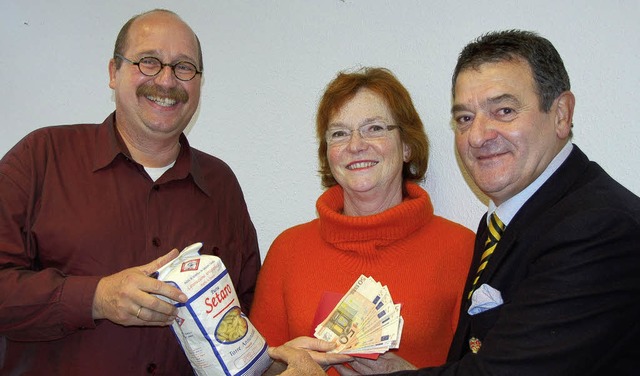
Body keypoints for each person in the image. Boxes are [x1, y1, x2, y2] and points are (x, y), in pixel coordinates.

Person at [268, 29, 640, 376]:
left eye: (504, 111)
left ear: (561, 114)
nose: (478, 135)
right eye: (465, 117)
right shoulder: (502, 225)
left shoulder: (597, 227)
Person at [0, 9, 261, 374]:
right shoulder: (41, 157)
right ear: (113, 72)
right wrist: (96, 298)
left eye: (184, 67)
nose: (167, 81)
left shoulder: (222, 185)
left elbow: (246, 311)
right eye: (149, 62)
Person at [250, 67, 475, 375]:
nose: (355, 145)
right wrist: (283, 366)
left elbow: (489, 367)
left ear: (407, 145)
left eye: (375, 128)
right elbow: (256, 369)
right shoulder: (287, 250)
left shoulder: (461, 248)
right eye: (339, 133)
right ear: (327, 152)